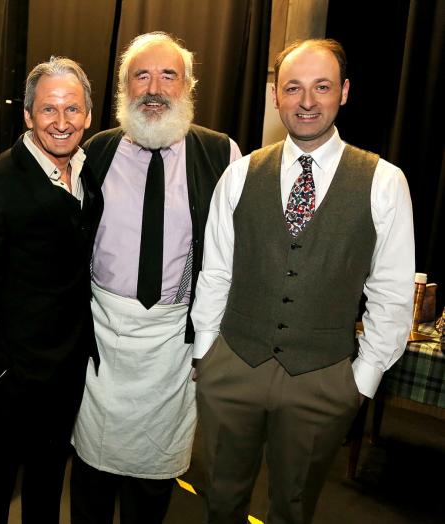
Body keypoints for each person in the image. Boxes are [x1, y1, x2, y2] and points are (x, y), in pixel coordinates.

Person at [192, 39, 414, 524]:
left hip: (323, 375)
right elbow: (217, 270)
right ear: (276, 96)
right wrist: (206, 355)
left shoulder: (384, 181)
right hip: (233, 363)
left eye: (322, 87)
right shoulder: (240, 174)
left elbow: (392, 293)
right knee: (221, 501)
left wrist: (360, 380)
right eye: (293, 88)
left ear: (345, 92)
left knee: (293, 509)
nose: (307, 101)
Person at [69, 32, 241, 524]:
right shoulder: (95, 153)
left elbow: (234, 256)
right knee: (91, 479)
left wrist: (214, 339)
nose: (154, 88)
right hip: (101, 340)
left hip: (173, 345)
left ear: (188, 86)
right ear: (124, 88)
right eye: (140, 76)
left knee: (152, 484)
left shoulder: (221, 154)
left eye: (169, 75)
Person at [0, 56, 102, 524]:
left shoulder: (89, 175)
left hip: (67, 373)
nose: (62, 121)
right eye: (48, 109)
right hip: (11, 378)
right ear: (27, 115)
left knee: (46, 492)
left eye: (72, 109)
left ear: (88, 115)